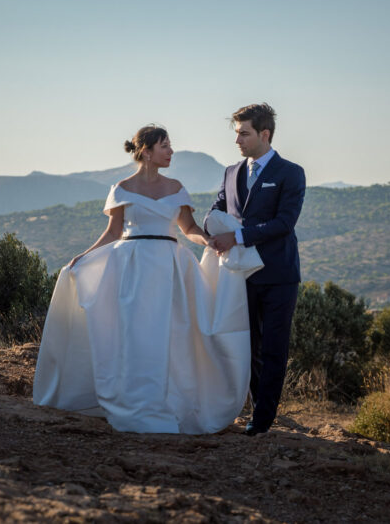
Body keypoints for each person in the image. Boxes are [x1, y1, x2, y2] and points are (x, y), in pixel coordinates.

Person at [32, 125, 255, 434]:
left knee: (171, 333)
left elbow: (188, 229)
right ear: (146, 152)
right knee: (134, 333)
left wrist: (209, 242)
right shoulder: (122, 188)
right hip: (132, 266)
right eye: (165, 146)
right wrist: (83, 257)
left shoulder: (176, 187)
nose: (171, 151)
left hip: (169, 266)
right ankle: (134, 398)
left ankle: (168, 400)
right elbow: (113, 232)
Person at [206, 103, 306, 436]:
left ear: (264, 134)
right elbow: (219, 207)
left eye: (244, 134)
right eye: (236, 134)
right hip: (238, 276)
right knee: (245, 345)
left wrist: (235, 237)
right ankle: (248, 406)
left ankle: (262, 420)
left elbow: (284, 223)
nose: (238, 141)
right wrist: (209, 227)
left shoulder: (291, 173)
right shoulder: (231, 171)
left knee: (274, 347)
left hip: (278, 275)